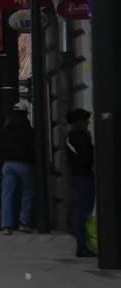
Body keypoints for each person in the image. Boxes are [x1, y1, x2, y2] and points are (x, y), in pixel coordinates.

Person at [0, 101, 36, 235]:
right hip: (24, 164)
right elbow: (33, 147)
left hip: (8, 164)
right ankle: (23, 222)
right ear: (25, 114)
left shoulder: (5, 129)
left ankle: (6, 225)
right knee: (28, 192)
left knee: (7, 195)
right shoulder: (28, 129)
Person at [65, 108, 95, 257]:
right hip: (83, 176)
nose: (88, 123)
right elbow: (87, 157)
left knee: (83, 210)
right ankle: (82, 244)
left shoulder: (73, 136)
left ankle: (84, 243)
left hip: (80, 176)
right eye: (86, 120)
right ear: (79, 122)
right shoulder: (79, 137)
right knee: (83, 210)